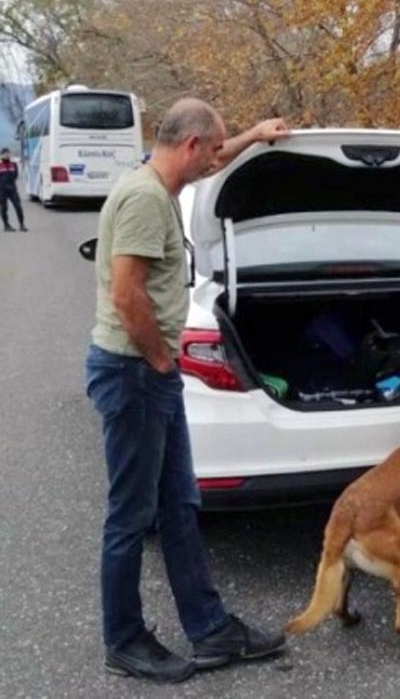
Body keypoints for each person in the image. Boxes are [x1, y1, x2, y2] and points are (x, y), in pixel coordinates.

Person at [85, 98, 291, 684]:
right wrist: (157, 360)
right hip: (133, 372)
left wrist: (254, 133)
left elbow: (218, 153)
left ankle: (210, 630)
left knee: (180, 505)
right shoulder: (147, 199)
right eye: (212, 152)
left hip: (149, 372)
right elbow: (128, 295)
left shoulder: (161, 179)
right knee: (132, 514)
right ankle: (123, 640)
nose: (213, 164)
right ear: (191, 145)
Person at [0, 147, 26, 232]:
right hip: (2, 190)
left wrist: (10, 183)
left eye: (8, 153)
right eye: (5, 154)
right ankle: (6, 226)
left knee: (18, 206)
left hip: (12, 189)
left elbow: (15, 175)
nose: (7, 155)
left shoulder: (13, 164)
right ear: (1, 155)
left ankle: (22, 225)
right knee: (4, 208)